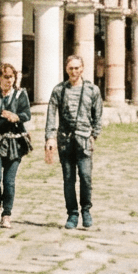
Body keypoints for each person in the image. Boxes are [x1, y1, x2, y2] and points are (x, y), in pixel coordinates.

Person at [41, 54, 102, 230]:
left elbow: (98, 115)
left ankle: (86, 210)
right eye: (71, 68)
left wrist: (94, 135)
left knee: (85, 177)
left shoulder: (92, 90)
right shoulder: (59, 90)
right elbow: (51, 114)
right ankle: (72, 214)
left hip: (84, 140)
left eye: (77, 68)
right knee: (68, 179)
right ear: (66, 69)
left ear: (82, 69)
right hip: (65, 140)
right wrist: (50, 137)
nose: (74, 71)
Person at [0, 65, 32, 225]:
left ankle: (6, 214)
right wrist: (2, 114)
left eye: (11, 77)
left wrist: (16, 117)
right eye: (5, 76)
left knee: (9, 181)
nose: (8, 80)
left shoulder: (20, 95)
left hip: (15, 143)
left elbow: (27, 114)